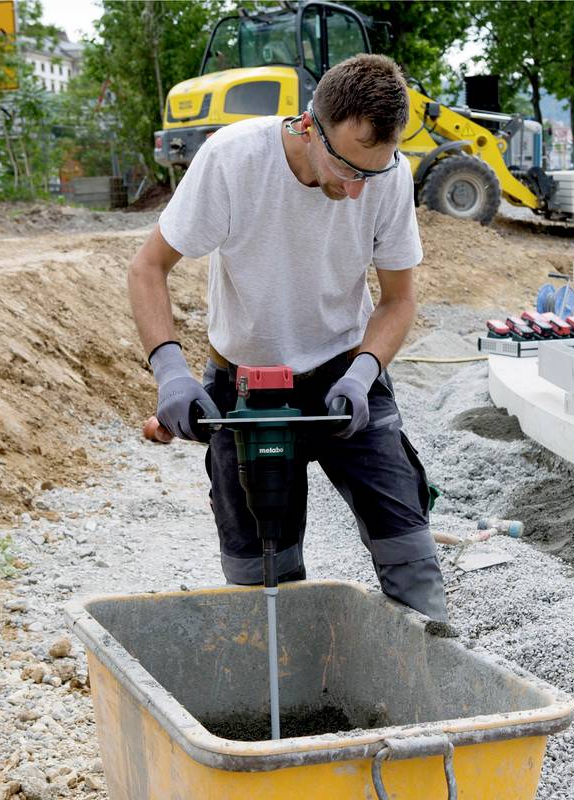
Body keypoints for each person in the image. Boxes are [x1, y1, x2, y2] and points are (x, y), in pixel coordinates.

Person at [127, 54, 448, 622]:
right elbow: (147, 268)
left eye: (372, 173)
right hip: (246, 385)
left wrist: (363, 374)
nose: (357, 191)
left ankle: (427, 685)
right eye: (349, 170)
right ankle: (290, 690)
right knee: (261, 574)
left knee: (409, 546)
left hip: (344, 372)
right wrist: (170, 372)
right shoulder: (233, 160)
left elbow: (398, 300)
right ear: (309, 124)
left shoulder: (387, 174)